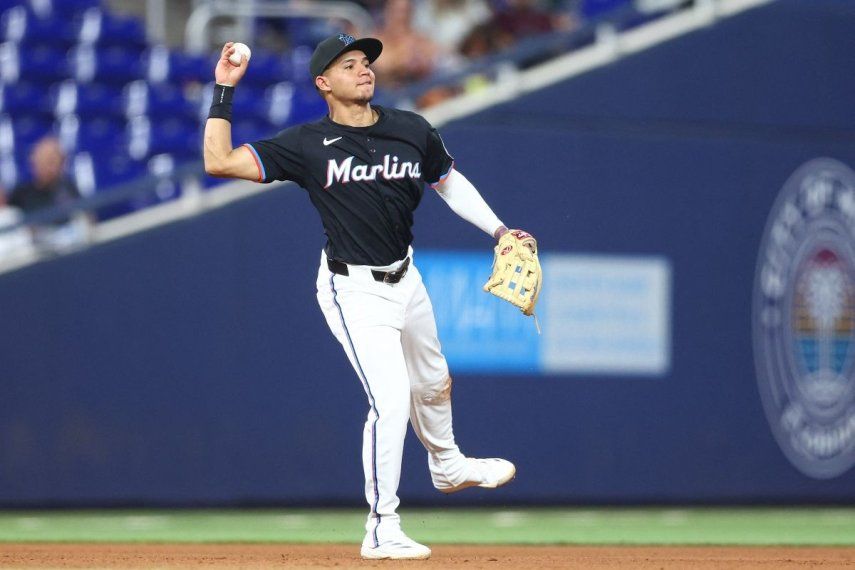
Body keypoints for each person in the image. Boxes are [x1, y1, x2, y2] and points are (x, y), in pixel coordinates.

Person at [203, 34, 528, 560]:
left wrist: (499, 231)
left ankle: (447, 466)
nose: (364, 70)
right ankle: (381, 526)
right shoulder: (307, 144)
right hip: (351, 286)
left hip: (406, 275)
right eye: (348, 64)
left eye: (366, 62)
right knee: (391, 399)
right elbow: (218, 162)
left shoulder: (411, 129)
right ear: (323, 83)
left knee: (435, 379)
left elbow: (447, 181)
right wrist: (224, 89)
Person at [9, 136, 89, 253]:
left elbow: (86, 218)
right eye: (44, 161)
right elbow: (12, 225)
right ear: (34, 163)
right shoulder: (21, 194)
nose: (49, 167)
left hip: (70, 250)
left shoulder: (68, 187)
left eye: (53, 161)